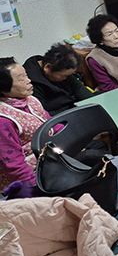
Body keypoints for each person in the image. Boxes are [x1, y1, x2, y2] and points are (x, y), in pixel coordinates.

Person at [0, 58, 49, 190]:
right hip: (30, 175)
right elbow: (13, 165)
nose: (29, 80)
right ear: (4, 88)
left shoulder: (30, 100)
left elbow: (51, 124)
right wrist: (36, 188)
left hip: (50, 158)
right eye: (22, 79)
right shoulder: (3, 120)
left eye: (26, 75)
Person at [23, 43, 93, 116]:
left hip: (72, 107)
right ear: (47, 67)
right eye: (63, 76)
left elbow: (78, 87)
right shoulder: (30, 83)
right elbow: (42, 113)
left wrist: (94, 102)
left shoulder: (59, 66)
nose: (65, 78)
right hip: (57, 115)